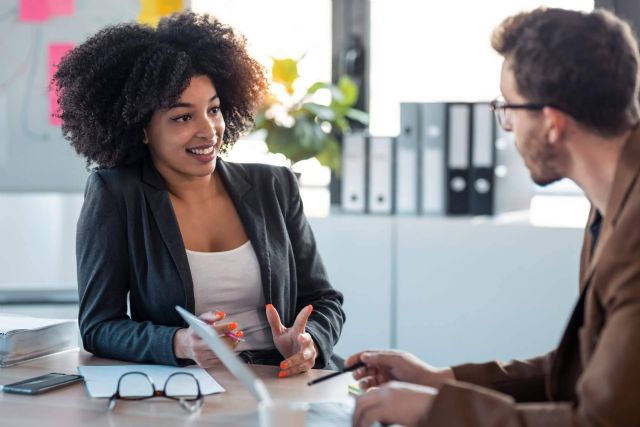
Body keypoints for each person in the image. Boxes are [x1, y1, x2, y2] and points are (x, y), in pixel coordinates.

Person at [347, 7, 640, 426]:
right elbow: (589, 364)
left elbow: (601, 421)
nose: (507, 128)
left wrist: (438, 411)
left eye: (509, 108)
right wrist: (441, 381)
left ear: (552, 123)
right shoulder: (611, 201)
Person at [54, 12, 345, 377]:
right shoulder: (116, 195)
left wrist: (309, 342)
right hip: (188, 386)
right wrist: (181, 342)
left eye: (214, 109)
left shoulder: (274, 186)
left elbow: (324, 300)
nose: (209, 131)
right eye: (182, 117)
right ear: (142, 129)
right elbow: (98, 327)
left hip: (285, 380)